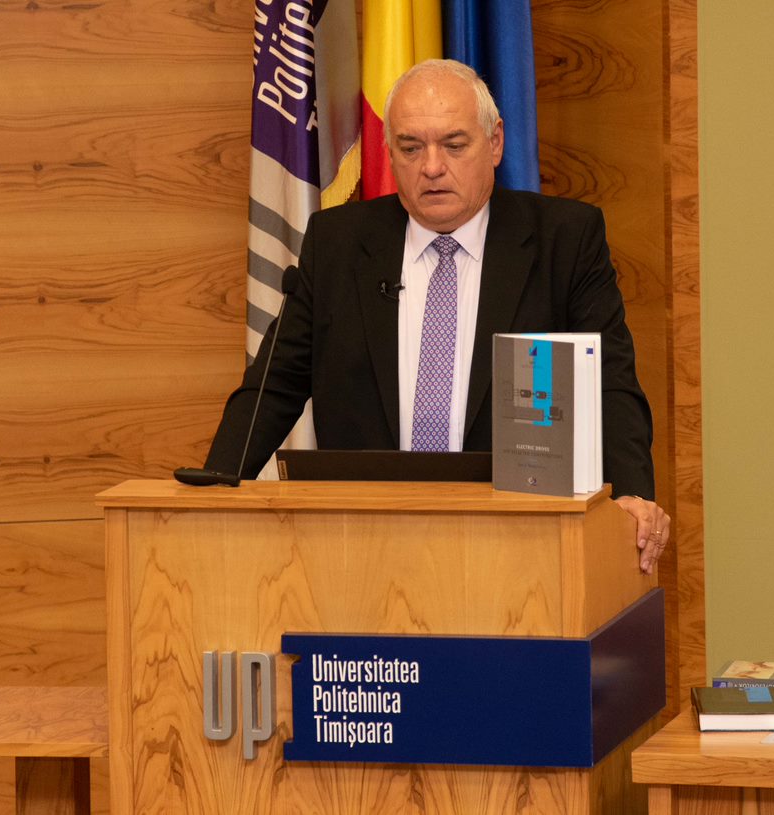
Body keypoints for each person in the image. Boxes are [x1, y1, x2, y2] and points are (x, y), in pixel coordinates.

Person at [206, 59, 672, 573]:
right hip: (362, 543)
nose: (431, 167)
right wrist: (214, 486)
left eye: (453, 145)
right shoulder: (337, 243)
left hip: (519, 542)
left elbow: (611, 383)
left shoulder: (564, 241)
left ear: (494, 143)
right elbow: (274, 387)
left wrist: (632, 495)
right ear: (389, 152)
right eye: (410, 148)